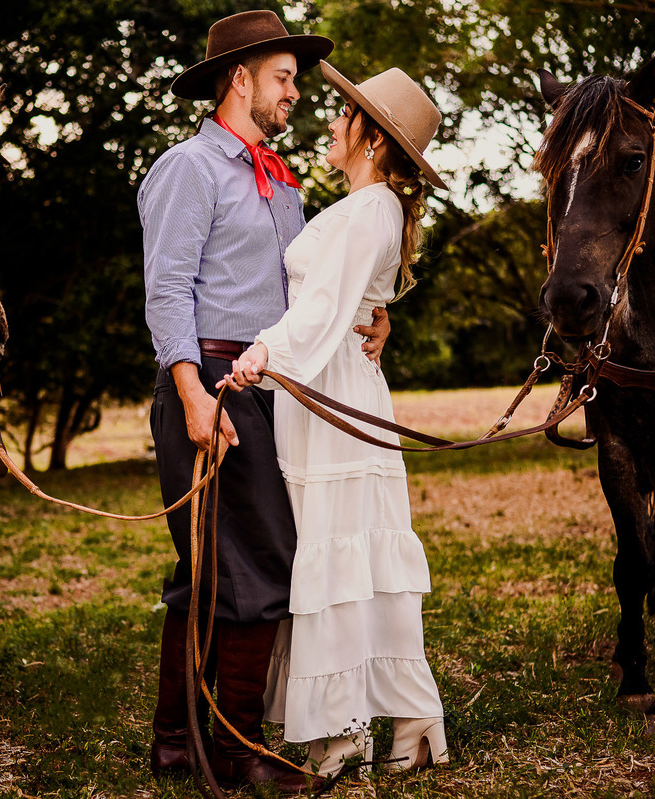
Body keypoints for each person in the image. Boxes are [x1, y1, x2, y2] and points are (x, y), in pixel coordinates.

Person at [138, 10, 390, 793]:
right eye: (284, 78)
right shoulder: (190, 167)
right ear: (239, 79)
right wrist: (191, 394)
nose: (296, 94)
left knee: (214, 567)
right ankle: (235, 745)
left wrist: (370, 316)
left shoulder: (280, 180)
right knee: (260, 563)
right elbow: (167, 289)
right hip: (211, 385)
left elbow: (304, 291)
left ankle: (179, 741)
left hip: (265, 389)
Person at [219, 62, 451, 778]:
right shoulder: (366, 208)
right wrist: (372, 313)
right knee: (351, 557)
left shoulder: (368, 209)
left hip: (332, 394)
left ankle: (348, 733)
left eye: (343, 114)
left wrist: (259, 353)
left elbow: (322, 311)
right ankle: (405, 726)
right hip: (331, 390)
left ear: (372, 139)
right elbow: (346, 299)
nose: (328, 120)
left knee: (343, 553)